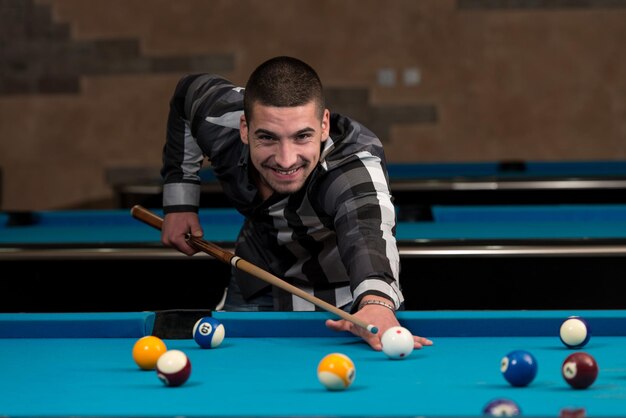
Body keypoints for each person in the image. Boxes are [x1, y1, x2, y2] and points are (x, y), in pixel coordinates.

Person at [160, 56, 432, 351]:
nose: (286, 159)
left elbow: (367, 229)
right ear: (243, 128)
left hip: (343, 299)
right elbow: (186, 95)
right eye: (267, 137)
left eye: (302, 136)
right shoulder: (218, 119)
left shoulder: (352, 168)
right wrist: (180, 202)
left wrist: (376, 302)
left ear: (324, 125)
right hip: (256, 278)